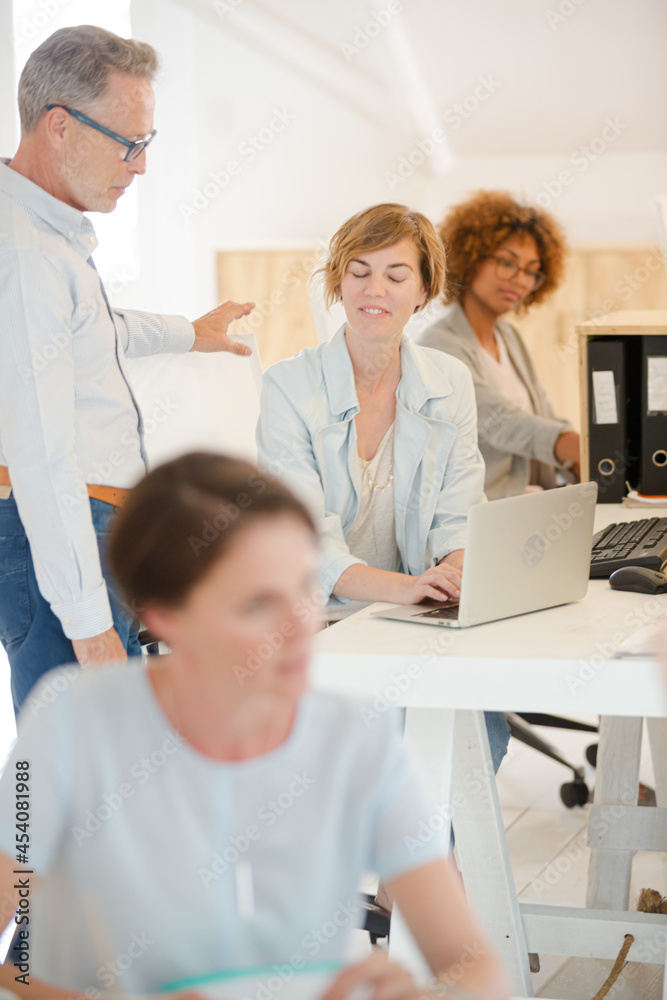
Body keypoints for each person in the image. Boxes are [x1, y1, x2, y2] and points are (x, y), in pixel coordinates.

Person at [0, 452, 511, 1000]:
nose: (299, 626)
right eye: (256, 604)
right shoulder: (72, 723)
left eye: (302, 588)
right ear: (163, 615)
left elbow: (473, 969)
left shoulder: (353, 739)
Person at [0, 26, 255, 713]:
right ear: (60, 126)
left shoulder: (44, 238)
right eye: (129, 141)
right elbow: (42, 454)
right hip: (58, 526)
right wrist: (88, 627)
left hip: (83, 525)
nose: (139, 165)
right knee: (64, 769)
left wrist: (187, 334)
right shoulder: (26, 256)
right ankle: (20, 828)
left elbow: (91, 336)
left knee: (95, 767)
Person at [256, 203, 509, 776]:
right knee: (393, 745)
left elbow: (461, 516)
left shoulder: (448, 381)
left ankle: (423, 866)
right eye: (359, 271)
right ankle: (410, 861)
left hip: (407, 616)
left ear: (423, 291)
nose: (375, 290)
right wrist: (410, 588)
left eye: (396, 275)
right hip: (317, 621)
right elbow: (305, 549)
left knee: (479, 736)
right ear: (338, 281)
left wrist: (451, 577)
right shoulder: (289, 387)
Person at [416, 191, 579, 500]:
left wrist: (593, 452)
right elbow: (501, 423)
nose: (520, 280)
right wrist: (582, 448)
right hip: (485, 514)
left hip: (536, 500)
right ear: (470, 258)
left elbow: (543, 414)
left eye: (531, 271)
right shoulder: (439, 345)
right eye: (507, 263)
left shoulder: (509, 338)